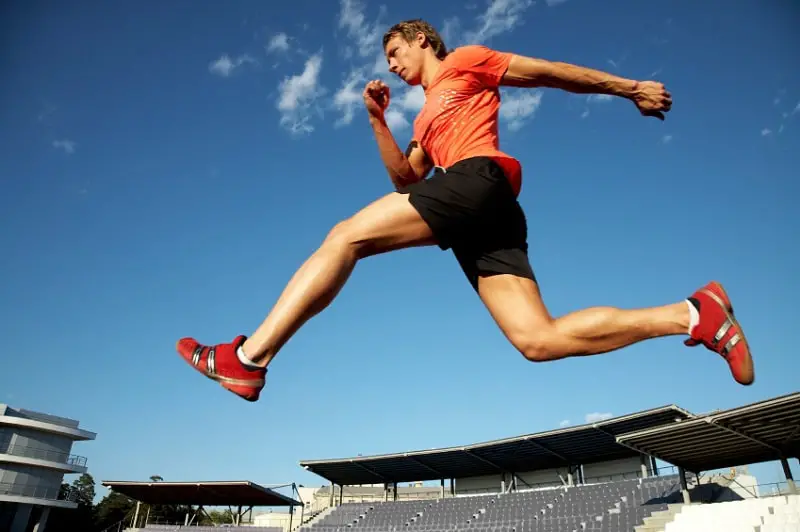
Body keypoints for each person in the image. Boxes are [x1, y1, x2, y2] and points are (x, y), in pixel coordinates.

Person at [176, 19, 754, 402]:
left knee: (345, 236)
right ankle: (692, 314)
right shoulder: (425, 117)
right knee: (538, 340)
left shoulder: (467, 63)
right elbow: (409, 178)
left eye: (396, 52)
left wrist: (628, 88)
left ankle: (248, 358)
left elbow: (551, 73)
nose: (392, 64)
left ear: (423, 39)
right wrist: (378, 120)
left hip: (480, 179)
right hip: (483, 207)